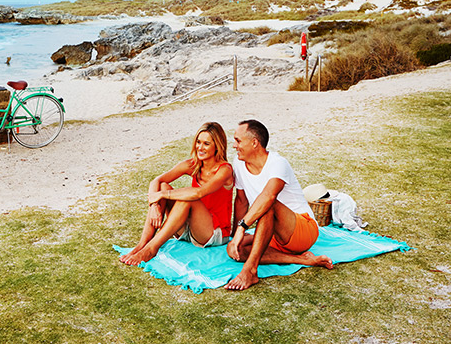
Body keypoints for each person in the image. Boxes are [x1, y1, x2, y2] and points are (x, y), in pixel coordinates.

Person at [225, 119, 333, 290]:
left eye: (238, 140)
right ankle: (302, 259)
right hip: (273, 233)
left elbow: (269, 197)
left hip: (302, 229)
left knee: (269, 204)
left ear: (254, 143)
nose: (233, 145)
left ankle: (250, 271)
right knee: (236, 251)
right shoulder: (238, 162)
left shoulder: (277, 163)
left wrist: (242, 228)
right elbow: (241, 201)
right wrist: (234, 238)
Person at [120, 121, 234, 266]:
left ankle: (151, 249)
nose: (200, 147)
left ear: (217, 146)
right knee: (163, 185)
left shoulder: (225, 170)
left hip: (213, 233)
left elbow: (198, 193)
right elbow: (156, 181)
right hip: (187, 229)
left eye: (206, 144)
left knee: (187, 197)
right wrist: (154, 204)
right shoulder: (193, 164)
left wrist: (163, 195)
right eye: (198, 142)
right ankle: (142, 244)